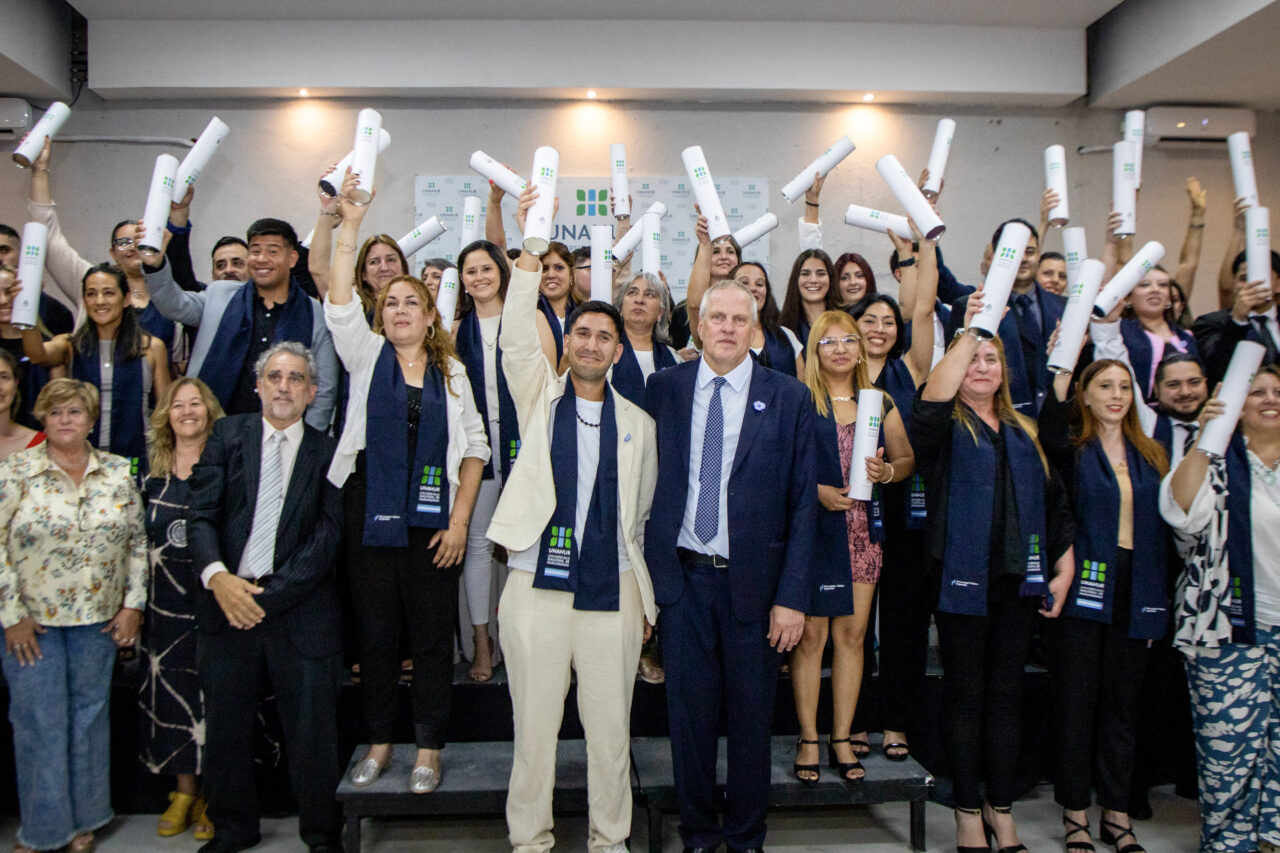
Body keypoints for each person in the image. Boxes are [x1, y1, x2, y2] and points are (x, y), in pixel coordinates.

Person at [487, 184, 658, 853]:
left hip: (612, 587)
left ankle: (610, 840)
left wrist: (645, 600)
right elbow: (513, 339)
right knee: (533, 730)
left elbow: (639, 520)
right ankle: (530, 840)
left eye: (603, 336)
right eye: (581, 332)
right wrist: (529, 250)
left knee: (611, 732)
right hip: (535, 586)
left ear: (617, 351)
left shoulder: (639, 424)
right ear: (568, 341)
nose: (590, 342)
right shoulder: (540, 397)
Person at [326, 175, 488, 793]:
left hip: (434, 518)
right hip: (368, 506)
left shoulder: (453, 373)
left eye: (410, 302)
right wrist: (350, 224)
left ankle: (428, 747)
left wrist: (460, 522)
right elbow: (338, 298)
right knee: (375, 635)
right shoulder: (365, 356)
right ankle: (379, 740)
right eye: (390, 302)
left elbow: (475, 449)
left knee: (429, 638)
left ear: (430, 314)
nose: (399, 310)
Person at [645, 279, 817, 852]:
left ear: (754, 327)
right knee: (688, 724)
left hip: (757, 591)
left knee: (750, 724)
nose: (726, 328)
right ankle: (697, 835)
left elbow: (803, 504)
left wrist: (791, 597)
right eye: (716, 317)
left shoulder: (789, 396)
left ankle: (745, 838)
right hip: (683, 583)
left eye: (738, 320)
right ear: (699, 326)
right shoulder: (664, 389)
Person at [914, 291, 1074, 853]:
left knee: (1007, 698)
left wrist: (1063, 565)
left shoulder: (1024, 430)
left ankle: (1000, 809)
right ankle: (965, 811)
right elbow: (932, 396)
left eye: (992, 358)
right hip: (960, 581)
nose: (982, 367)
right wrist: (973, 329)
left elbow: (1055, 504)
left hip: (1017, 583)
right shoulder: (941, 426)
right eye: (972, 359)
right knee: (965, 696)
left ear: (1006, 371)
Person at [187, 342, 344, 853]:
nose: (283, 386)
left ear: (312, 392)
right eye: (274, 376)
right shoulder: (227, 435)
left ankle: (322, 834)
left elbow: (327, 537)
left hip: (298, 610)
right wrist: (219, 578)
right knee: (227, 730)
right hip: (226, 604)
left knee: (313, 733)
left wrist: (266, 597)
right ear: (258, 386)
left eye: (296, 378)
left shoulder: (330, 451)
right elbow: (201, 515)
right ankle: (232, 829)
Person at [0, 379, 148, 853]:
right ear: (42, 419)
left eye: (75, 412)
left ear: (91, 419)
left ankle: (85, 820)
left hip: (98, 621)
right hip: (31, 624)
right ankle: (44, 831)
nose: (65, 420)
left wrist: (133, 605)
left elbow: (138, 544)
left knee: (89, 720)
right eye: (56, 412)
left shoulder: (118, 472)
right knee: (38, 723)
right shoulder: (16, 471)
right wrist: (11, 614)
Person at [1039, 358, 1171, 853]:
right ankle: (1075, 813)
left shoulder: (1152, 453)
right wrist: (1061, 366)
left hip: (1137, 588)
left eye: (1124, 387)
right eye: (1105, 386)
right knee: (1077, 705)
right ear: (1086, 396)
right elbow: (1051, 437)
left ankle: (1116, 813)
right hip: (1084, 586)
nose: (1116, 395)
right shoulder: (1071, 451)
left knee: (1123, 707)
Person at [1161, 365, 1280, 853]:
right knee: (1229, 753)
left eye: (1278, 391)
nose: (1270, 399)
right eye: (1258, 392)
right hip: (1226, 628)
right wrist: (1206, 439)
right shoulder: (1217, 459)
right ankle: (1230, 844)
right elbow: (1181, 515)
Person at [792, 310, 914, 785]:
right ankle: (808, 737)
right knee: (811, 638)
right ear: (814, 351)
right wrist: (817, 492)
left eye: (849, 340)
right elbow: (779, 469)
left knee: (853, 637)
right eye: (829, 341)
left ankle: (841, 736)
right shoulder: (798, 400)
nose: (840, 349)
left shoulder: (878, 402)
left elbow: (905, 459)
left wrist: (889, 472)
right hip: (813, 531)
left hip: (863, 532)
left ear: (861, 350)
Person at [847, 224, 939, 763]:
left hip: (903, 512)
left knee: (903, 623)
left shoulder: (911, 369)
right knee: (854, 629)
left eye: (887, 321)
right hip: (849, 516)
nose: (879, 328)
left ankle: (897, 724)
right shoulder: (836, 372)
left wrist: (923, 244)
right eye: (869, 320)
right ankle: (855, 720)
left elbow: (923, 307)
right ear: (852, 328)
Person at [453, 237, 557, 681]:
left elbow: (550, 385)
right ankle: (482, 640)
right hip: (476, 454)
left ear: (503, 272)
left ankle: (525, 641)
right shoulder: (455, 329)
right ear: (462, 281)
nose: (479, 277)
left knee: (526, 547)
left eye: (486, 268)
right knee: (477, 546)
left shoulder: (532, 317)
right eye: (470, 271)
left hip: (526, 450)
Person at [139, 218, 339, 431]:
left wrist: (309, 438)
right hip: (214, 429)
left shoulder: (312, 312)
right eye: (255, 251)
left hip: (282, 435)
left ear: (292, 258)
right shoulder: (219, 295)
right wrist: (155, 265)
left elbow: (325, 386)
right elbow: (173, 305)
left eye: (272, 251)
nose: (262, 259)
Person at [140, 377, 224, 841]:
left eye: (195, 404)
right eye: (178, 405)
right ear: (166, 416)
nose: (187, 412)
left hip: (215, 602)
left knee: (216, 696)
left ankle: (215, 792)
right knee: (172, 698)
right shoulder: (150, 471)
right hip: (165, 605)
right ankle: (184, 792)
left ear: (209, 411)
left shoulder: (226, 463)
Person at [27, 139, 177, 349]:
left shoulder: (169, 296)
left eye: (139, 240)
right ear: (112, 253)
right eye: (124, 242)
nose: (133, 247)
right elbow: (48, 237)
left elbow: (177, 361)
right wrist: (39, 172)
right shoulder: (90, 281)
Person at [22, 263, 171, 476]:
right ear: (84, 301)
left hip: (139, 459)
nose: (99, 301)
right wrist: (26, 304)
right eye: (91, 294)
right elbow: (37, 354)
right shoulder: (69, 345)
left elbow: (164, 412)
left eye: (108, 293)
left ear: (126, 299)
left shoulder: (151, 347)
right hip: (79, 461)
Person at [947, 219, 1065, 414]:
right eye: (1016, 251)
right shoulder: (973, 307)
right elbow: (955, 372)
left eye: (1030, 252)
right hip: (998, 419)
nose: (1024, 258)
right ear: (996, 255)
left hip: (1055, 418)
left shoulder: (1063, 306)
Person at [1194, 249, 1280, 384]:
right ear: (1235, 284)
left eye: (1261, 279)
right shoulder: (1210, 322)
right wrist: (1237, 320)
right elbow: (1215, 369)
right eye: (1244, 279)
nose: (1252, 286)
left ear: (1278, 285)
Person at [1119, 264, 1199, 399]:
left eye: (1162, 285)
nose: (1155, 290)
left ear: (1169, 298)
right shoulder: (1119, 331)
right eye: (1144, 285)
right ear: (1128, 299)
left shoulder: (1186, 336)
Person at [610, 272, 682, 406]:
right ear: (620, 307)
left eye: (650, 295)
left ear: (660, 313)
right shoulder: (605, 351)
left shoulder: (674, 357)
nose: (639, 300)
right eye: (632, 292)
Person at [778, 249, 840, 348]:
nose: (813, 280)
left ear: (830, 278)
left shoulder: (845, 321)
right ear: (796, 280)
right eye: (805, 274)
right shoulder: (783, 330)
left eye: (821, 273)